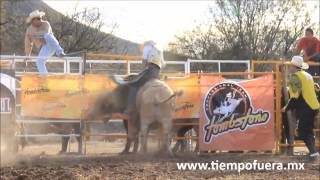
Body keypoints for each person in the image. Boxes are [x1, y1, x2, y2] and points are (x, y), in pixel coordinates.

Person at [284, 56, 320, 162]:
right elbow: (315, 88)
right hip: (314, 106)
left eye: (290, 65)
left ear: (294, 66)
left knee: (302, 131)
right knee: (307, 130)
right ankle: (314, 153)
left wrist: (286, 108)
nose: (289, 67)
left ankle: (314, 154)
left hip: (307, 107)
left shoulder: (295, 77)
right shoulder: (307, 75)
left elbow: (294, 97)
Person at [123, 40, 165, 115]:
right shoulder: (159, 49)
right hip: (157, 72)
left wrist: (143, 70)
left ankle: (130, 107)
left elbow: (144, 61)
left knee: (134, 83)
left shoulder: (147, 47)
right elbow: (163, 64)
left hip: (150, 70)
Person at [24, 10, 65, 75]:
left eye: (39, 18)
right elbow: (28, 44)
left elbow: (46, 33)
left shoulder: (46, 23)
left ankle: (60, 52)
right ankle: (45, 79)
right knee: (39, 62)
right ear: (33, 20)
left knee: (47, 35)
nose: (39, 20)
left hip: (52, 43)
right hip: (45, 47)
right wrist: (27, 55)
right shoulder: (29, 30)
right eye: (37, 19)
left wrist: (34, 34)